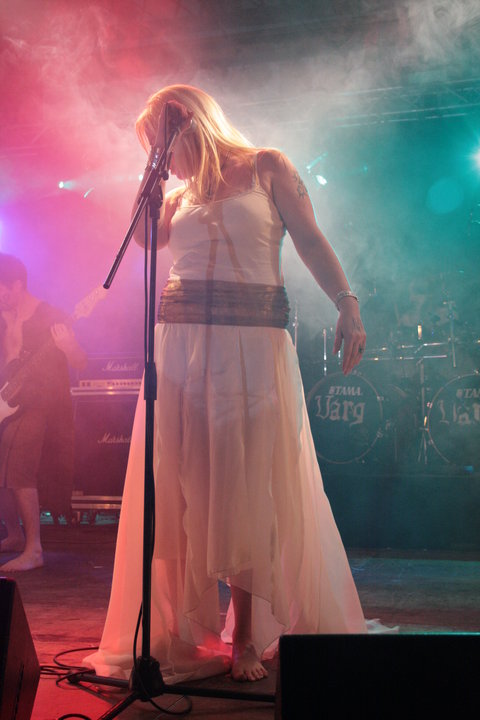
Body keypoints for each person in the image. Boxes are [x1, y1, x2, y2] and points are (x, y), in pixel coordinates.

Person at [85, 84, 367, 684]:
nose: (162, 154)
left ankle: (246, 636)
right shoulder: (176, 195)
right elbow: (146, 241)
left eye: (163, 141)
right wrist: (150, 177)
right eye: (153, 147)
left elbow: (310, 238)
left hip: (253, 346)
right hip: (184, 349)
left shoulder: (267, 166)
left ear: (190, 125)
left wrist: (347, 302)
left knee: (247, 485)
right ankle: (179, 630)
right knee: (188, 484)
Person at [0, 253, 86, 572]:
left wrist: (69, 347)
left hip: (39, 406)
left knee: (18, 469)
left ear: (16, 286)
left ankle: (34, 548)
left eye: (1, 291)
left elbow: (80, 362)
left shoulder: (49, 316)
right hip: (6, 401)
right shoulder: (3, 316)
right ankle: (13, 534)